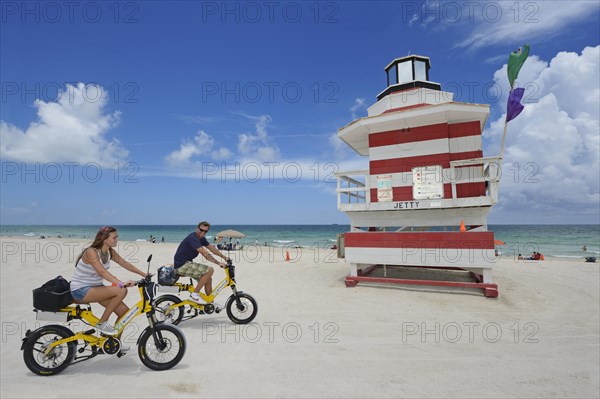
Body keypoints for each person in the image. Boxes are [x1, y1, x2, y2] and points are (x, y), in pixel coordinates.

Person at [70, 226, 148, 336]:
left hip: (96, 287)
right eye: (114, 238)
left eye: (117, 237)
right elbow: (102, 272)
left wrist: (144, 274)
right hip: (81, 289)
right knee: (121, 290)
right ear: (104, 239)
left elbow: (125, 263)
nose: (117, 240)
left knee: (124, 312)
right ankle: (102, 322)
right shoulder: (91, 252)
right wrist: (120, 283)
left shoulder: (109, 252)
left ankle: (115, 343)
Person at [173, 221, 228, 304]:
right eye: (201, 230)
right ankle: (194, 295)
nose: (203, 232)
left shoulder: (201, 238)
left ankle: (210, 302)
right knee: (210, 270)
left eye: (205, 231)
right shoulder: (193, 238)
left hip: (187, 264)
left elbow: (212, 248)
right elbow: (205, 253)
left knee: (208, 279)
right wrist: (218, 263)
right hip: (182, 265)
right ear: (197, 228)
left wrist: (224, 257)